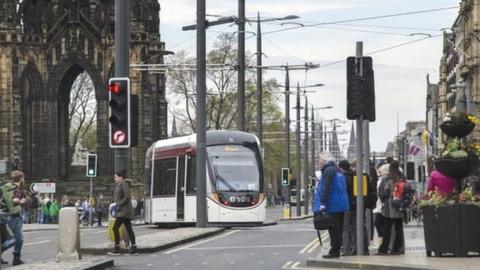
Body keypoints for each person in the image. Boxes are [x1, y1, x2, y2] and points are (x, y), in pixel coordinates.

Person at [314, 152, 349, 259]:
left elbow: (326, 187)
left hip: (332, 204)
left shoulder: (328, 171)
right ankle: (336, 249)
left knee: (333, 229)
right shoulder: (338, 170)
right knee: (338, 228)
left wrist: (323, 203)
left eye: (319, 160)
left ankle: (334, 251)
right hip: (341, 203)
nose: (318, 162)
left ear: (324, 160)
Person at [377, 160, 405, 255]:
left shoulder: (387, 179)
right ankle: (397, 248)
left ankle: (384, 248)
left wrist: (384, 200)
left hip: (389, 206)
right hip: (400, 204)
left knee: (387, 228)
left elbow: (382, 193)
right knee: (399, 228)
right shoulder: (402, 178)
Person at [108, 170, 137, 256]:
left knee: (115, 228)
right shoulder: (120, 185)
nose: (115, 179)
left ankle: (117, 248)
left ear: (121, 177)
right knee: (129, 229)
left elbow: (127, 196)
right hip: (123, 211)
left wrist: (119, 204)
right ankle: (134, 248)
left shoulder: (124, 184)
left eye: (116, 177)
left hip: (123, 211)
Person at [1, 170, 27, 265]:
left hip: (10, 215)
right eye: (23, 178)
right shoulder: (11, 188)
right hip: (13, 215)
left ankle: (16, 258)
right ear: (21, 178)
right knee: (18, 239)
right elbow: (12, 203)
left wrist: (22, 201)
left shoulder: (14, 188)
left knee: (14, 238)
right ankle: (16, 258)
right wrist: (21, 202)